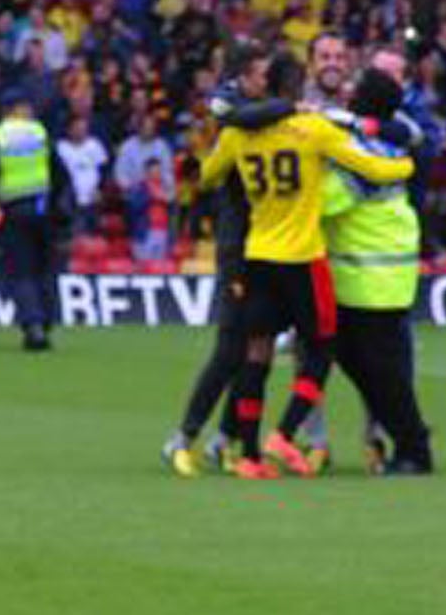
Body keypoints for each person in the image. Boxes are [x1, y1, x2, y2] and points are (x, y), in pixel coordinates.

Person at [197, 52, 413, 480]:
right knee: (322, 349)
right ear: (297, 89)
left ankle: (250, 455)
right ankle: (285, 434)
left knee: (256, 354)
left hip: (258, 254)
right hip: (302, 259)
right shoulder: (314, 131)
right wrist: (406, 166)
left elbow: (206, 175)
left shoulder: (240, 135)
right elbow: (370, 166)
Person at [162, 46, 275, 477]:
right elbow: (226, 111)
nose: (267, 83)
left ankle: (226, 439)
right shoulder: (233, 111)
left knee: (258, 349)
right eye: (262, 75)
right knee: (231, 347)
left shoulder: (266, 113)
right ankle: (183, 437)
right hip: (238, 245)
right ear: (244, 78)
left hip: (272, 243)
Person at [320, 66, 438, 477]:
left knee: (382, 370)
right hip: (376, 274)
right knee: (356, 357)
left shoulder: (363, 152)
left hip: (374, 278)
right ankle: (408, 436)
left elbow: (330, 203)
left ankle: (414, 449)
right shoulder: (384, 139)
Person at [0, 92, 55, 350]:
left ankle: (33, 326)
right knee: (43, 267)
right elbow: (57, 170)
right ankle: (46, 321)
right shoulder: (38, 132)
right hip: (42, 208)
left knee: (21, 270)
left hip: (14, 210)